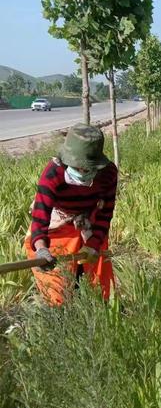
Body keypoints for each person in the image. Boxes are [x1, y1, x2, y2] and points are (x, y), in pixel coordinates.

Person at [24, 123, 118, 306]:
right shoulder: (54, 172)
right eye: (78, 166)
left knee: (97, 282)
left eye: (88, 168)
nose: (82, 172)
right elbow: (40, 217)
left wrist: (93, 244)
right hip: (58, 223)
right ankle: (60, 312)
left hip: (87, 222)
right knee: (57, 288)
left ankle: (99, 309)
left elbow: (105, 215)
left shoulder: (108, 174)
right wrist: (42, 249)